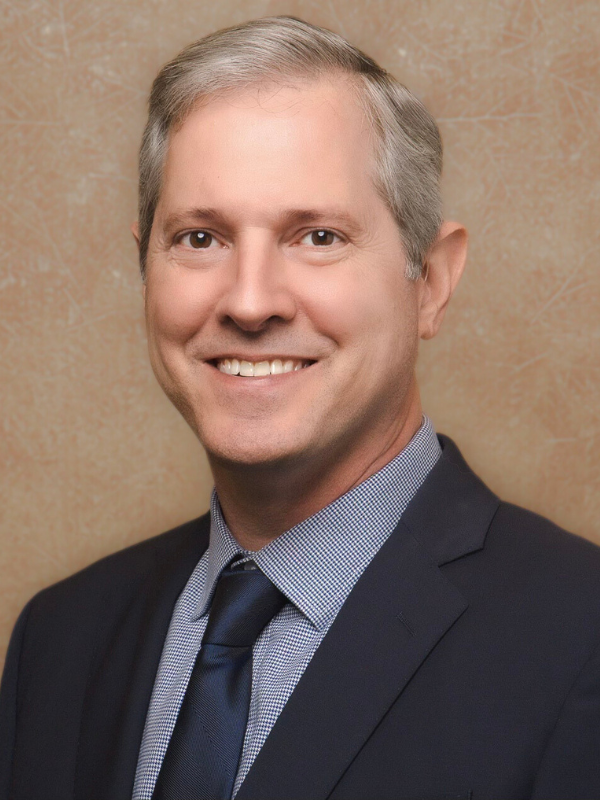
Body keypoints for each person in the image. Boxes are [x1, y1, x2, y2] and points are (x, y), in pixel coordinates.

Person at [1, 15, 599, 800]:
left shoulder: (579, 640)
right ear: (145, 268)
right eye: (200, 238)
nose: (250, 303)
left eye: (317, 236)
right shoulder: (60, 639)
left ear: (434, 281)